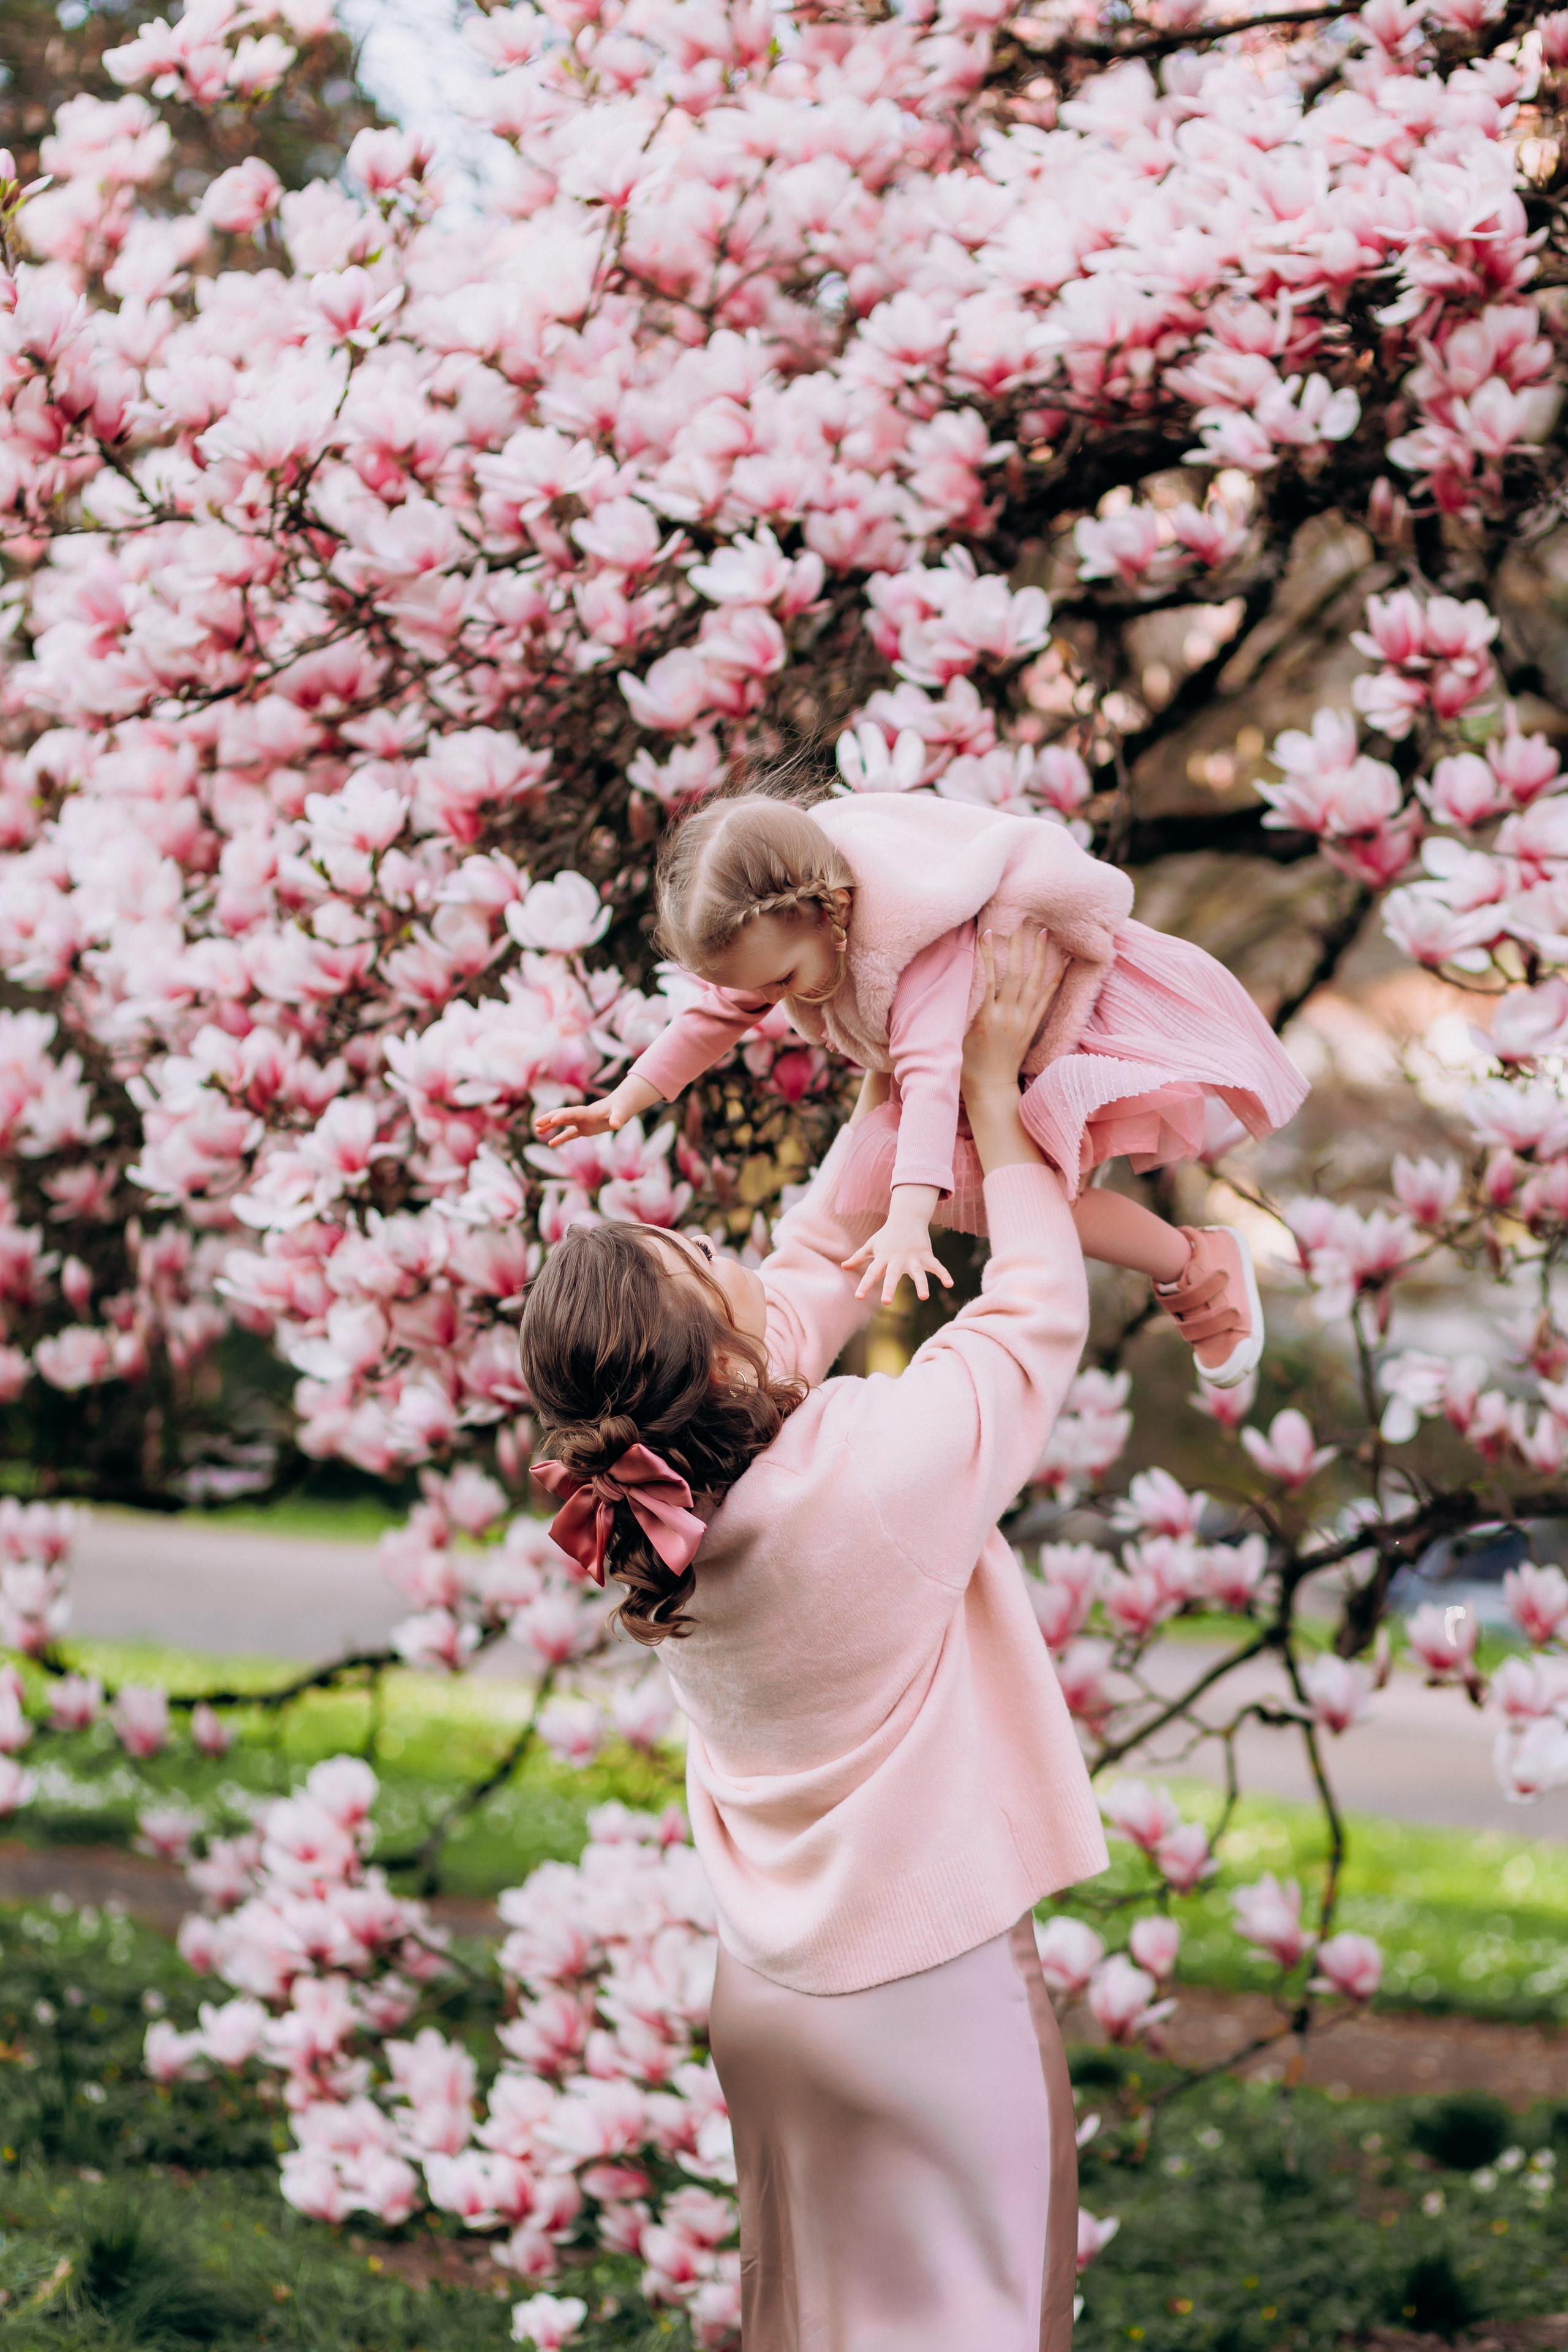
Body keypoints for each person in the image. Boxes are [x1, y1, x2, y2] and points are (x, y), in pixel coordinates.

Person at [520, 932, 1110, 2352]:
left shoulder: (671, 1525)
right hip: (923, 1993)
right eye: (705, 1264)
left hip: (774, 1999)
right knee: (979, 2324)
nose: (739, 1263)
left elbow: (813, 1261)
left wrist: (891, 1066)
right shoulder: (872, 1470)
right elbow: (1036, 1309)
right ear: (715, 1353)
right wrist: (977, 1084)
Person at [538, 786, 1308, 1387]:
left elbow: (933, 1075)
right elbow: (719, 1011)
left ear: (830, 909)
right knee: (1016, 1198)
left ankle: (1192, 1259)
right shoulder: (800, 933)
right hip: (982, 1054)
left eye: (781, 980)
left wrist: (908, 1215)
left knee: (1021, 1197)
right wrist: (628, 1097)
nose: (776, 1003)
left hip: (1036, 1026)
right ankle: (1187, 1257)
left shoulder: (911, 948)